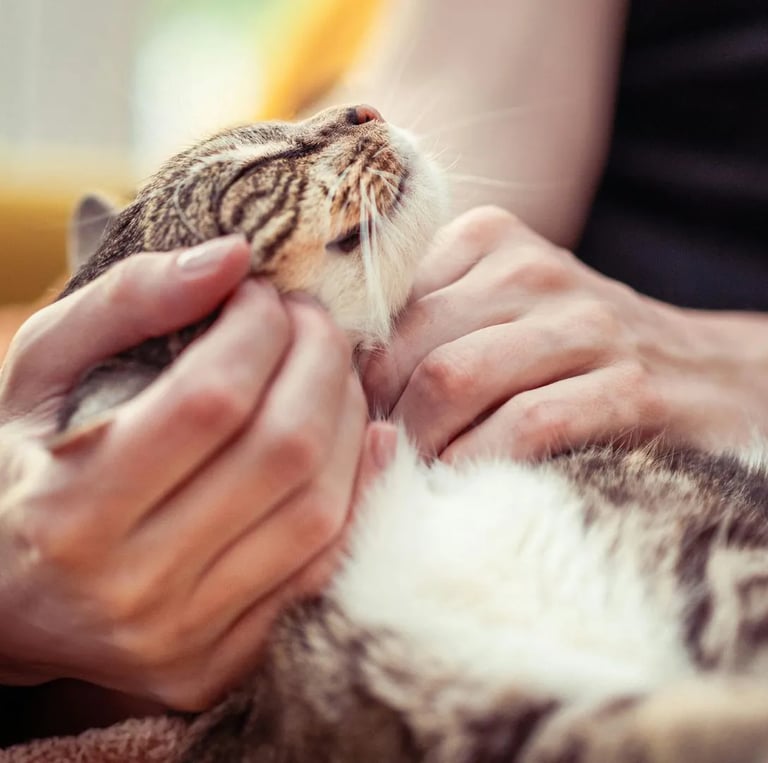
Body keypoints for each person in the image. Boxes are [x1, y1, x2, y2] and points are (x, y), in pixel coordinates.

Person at [0, 0, 766, 730]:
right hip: (462, 428)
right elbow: (443, 96)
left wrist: (733, 362)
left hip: (642, 440)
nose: (360, 117)